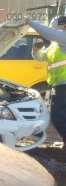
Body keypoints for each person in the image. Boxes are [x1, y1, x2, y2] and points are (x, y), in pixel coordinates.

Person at [30, 16, 66, 145]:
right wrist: (35, 50)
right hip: (58, 84)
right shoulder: (55, 45)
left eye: (53, 28)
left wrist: (29, 21)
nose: (52, 31)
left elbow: (48, 33)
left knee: (58, 116)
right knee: (61, 115)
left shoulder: (64, 37)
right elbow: (41, 58)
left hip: (63, 85)